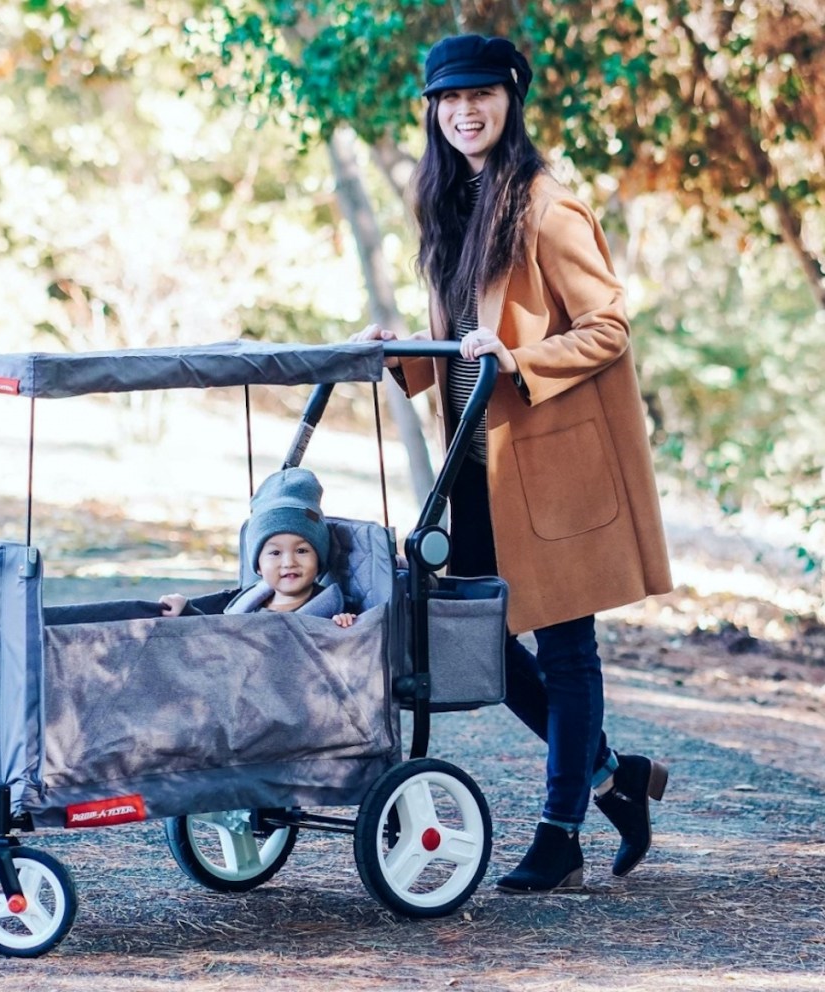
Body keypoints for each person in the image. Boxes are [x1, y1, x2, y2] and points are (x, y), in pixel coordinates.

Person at [355, 33, 673, 892]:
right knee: (478, 646)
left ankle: (561, 831)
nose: (464, 111)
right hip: (476, 469)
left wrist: (522, 363)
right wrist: (399, 352)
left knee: (566, 649)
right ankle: (614, 778)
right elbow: (457, 346)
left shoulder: (546, 206)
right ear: (433, 110)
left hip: (546, 463)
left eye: (480, 96)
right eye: (448, 99)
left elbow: (607, 325)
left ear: (510, 100)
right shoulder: (450, 202)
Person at [160, 466, 357, 627]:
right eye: (275, 553)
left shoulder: (331, 609)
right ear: (258, 567)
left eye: (302, 550)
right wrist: (186, 611)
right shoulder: (247, 605)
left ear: (319, 559)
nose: (289, 562)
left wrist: (344, 625)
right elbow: (216, 637)